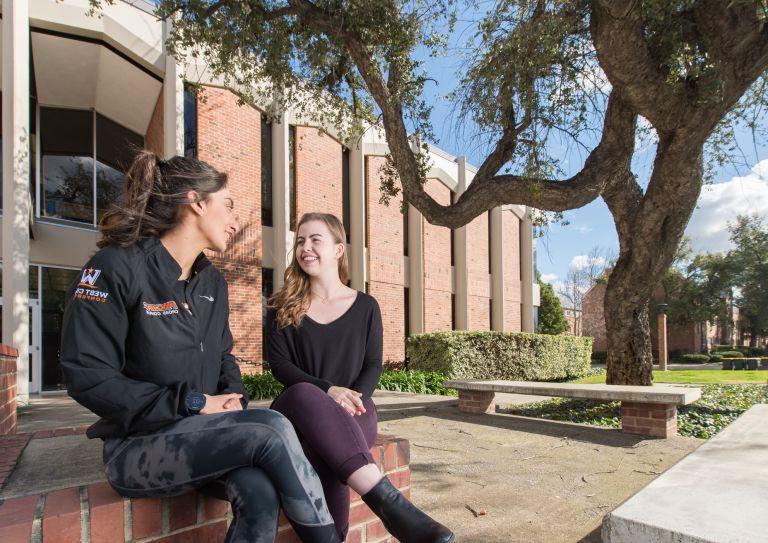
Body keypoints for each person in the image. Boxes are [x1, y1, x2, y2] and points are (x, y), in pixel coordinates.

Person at [61, 152, 341, 543]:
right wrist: (191, 403)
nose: (234, 222)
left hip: (205, 433)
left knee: (259, 490)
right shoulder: (115, 267)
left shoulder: (212, 284)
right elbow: (87, 377)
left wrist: (232, 396)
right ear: (196, 202)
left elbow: (224, 356)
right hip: (137, 448)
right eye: (228, 206)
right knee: (273, 427)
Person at [266, 212, 454, 543]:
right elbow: (281, 366)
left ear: (338, 250)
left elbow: (373, 364)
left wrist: (353, 399)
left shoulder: (366, 306)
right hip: (297, 411)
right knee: (305, 394)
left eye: (315, 240)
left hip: (356, 409)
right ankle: (393, 508)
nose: (305, 248)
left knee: (333, 447)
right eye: (300, 241)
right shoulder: (282, 306)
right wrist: (329, 391)